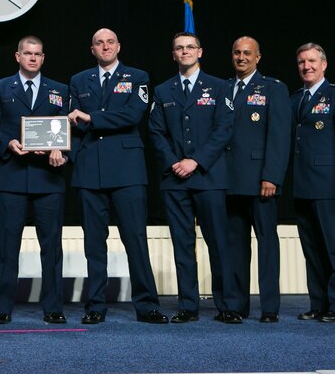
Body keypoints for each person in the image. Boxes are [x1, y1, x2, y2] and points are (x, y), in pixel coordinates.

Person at [67, 28, 168, 325]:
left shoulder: (138, 77)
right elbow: (71, 121)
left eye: (110, 42)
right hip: (89, 171)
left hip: (127, 171)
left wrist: (92, 118)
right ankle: (95, 305)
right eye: (99, 42)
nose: (105, 46)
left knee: (136, 240)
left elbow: (134, 115)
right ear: (92, 49)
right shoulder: (78, 80)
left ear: (119, 46)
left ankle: (147, 305)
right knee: (94, 243)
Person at [148, 31, 239, 324]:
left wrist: (195, 161)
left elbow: (224, 129)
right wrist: (176, 163)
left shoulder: (220, 86)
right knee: (182, 244)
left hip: (209, 177)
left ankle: (227, 304)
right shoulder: (162, 91)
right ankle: (188, 305)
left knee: (218, 243)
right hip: (175, 179)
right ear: (173, 54)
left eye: (190, 47)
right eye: (179, 48)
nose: (185, 51)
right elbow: (156, 132)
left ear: (200, 52)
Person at [0, 36, 69, 325]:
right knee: (7, 246)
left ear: (44, 58)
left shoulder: (60, 90)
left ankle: (53, 307)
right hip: (11, 176)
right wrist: (7, 142)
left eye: (38, 54)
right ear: (17, 56)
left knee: (52, 246)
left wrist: (61, 149)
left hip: (48, 178)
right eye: (27, 53)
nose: (32, 58)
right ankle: (2, 306)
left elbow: (71, 131)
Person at [291, 42, 335, 323]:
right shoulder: (295, 98)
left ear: (324, 64)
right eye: (301, 62)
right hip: (304, 186)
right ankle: (319, 303)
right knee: (313, 250)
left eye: (311, 61)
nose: (306, 66)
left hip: (332, 186)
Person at [223, 36, 290, 323]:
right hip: (229, 181)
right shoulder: (222, 88)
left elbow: (279, 137)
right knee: (235, 246)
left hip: (261, 182)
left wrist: (271, 176)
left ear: (258, 57)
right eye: (237, 52)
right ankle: (237, 305)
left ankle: (269, 307)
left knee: (266, 245)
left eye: (247, 53)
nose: (241, 57)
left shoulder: (273, 88)